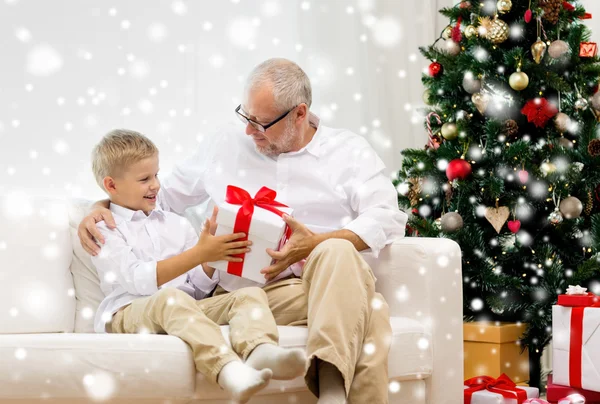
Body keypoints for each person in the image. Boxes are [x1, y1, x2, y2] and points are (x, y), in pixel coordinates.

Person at [80, 59, 407, 404]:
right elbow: (159, 200)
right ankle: (333, 392)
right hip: (247, 291)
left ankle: (331, 388)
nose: (250, 131)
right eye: (246, 117)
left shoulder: (348, 151)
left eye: (261, 123)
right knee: (369, 307)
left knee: (337, 252)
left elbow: (387, 215)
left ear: (300, 114)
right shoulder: (226, 144)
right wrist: (101, 206)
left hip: (321, 279)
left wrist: (315, 243)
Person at [89, 129, 307, 404]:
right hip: (128, 312)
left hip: (182, 307)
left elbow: (198, 290)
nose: (156, 185)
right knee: (170, 298)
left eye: (156, 175)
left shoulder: (175, 223)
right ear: (111, 185)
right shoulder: (104, 228)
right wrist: (197, 254)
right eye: (145, 179)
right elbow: (137, 280)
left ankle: (259, 348)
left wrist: (209, 260)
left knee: (248, 295)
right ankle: (227, 370)